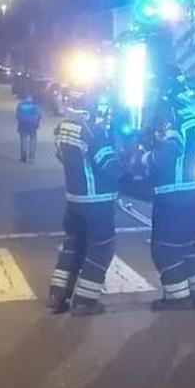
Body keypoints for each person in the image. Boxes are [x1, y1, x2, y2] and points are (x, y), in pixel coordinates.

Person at [47, 97, 122, 315]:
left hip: (73, 201)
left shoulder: (61, 129)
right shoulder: (92, 131)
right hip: (97, 201)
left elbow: (62, 157)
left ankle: (58, 294)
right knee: (101, 249)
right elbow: (109, 166)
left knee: (72, 246)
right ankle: (85, 301)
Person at [142, 100, 195, 311]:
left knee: (165, 249)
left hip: (170, 194)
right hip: (190, 193)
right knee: (188, 247)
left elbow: (169, 149)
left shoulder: (170, 114)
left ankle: (177, 297)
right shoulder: (191, 113)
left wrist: (146, 158)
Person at [15, 93, 43, 164]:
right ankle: (31, 158)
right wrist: (37, 123)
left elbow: (17, 115)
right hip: (32, 125)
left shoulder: (20, 105)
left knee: (23, 140)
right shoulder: (35, 106)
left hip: (22, 125)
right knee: (32, 141)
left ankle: (23, 157)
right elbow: (39, 115)